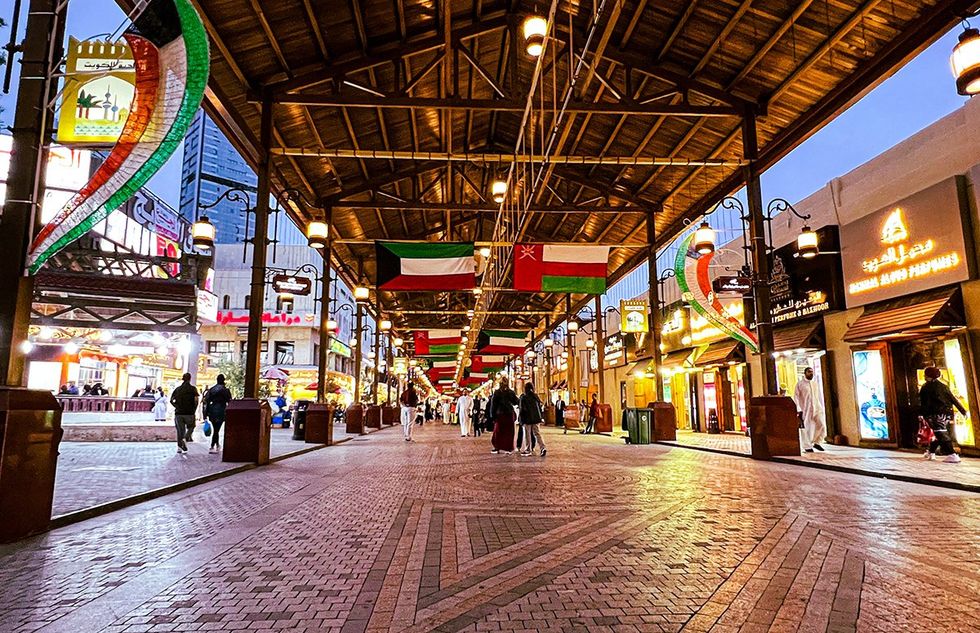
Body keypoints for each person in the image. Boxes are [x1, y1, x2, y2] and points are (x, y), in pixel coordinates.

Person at [919, 366, 966, 463]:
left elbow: (924, 403)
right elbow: (953, 399)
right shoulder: (943, 386)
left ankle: (952, 454)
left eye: (925, 374)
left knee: (941, 433)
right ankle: (931, 452)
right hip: (947, 414)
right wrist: (963, 411)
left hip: (934, 414)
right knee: (939, 433)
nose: (924, 376)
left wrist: (922, 414)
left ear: (928, 376)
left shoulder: (925, 387)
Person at [793, 367, 827, 453]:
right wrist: (798, 409)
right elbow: (796, 397)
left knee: (821, 425)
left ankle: (817, 442)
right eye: (809, 372)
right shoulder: (800, 384)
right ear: (805, 373)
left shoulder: (814, 384)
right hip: (805, 409)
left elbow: (818, 396)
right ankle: (807, 446)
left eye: (812, 372)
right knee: (807, 428)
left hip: (817, 408)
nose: (811, 373)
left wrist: (821, 406)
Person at [202, 374, 232, 454]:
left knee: (216, 429)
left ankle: (216, 445)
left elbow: (207, 402)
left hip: (212, 410)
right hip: (221, 410)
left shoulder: (211, 390)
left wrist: (205, 414)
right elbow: (229, 401)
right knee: (216, 430)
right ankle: (213, 446)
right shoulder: (225, 390)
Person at [169, 373, 199, 454]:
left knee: (180, 430)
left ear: (183, 379)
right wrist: (194, 410)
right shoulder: (193, 389)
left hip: (179, 413)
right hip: (189, 413)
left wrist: (176, 406)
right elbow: (196, 401)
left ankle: (179, 447)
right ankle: (185, 438)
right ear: (190, 379)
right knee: (192, 426)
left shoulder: (178, 389)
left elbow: (171, 400)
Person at [490, 377, 519, 454]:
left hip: (500, 414)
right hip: (509, 413)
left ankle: (498, 447)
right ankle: (508, 448)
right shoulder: (510, 392)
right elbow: (516, 401)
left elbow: (493, 405)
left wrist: (492, 415)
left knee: (498, 431)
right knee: (509, 432)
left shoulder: (497, 392)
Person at [519, 382, 547, 457]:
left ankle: (528, 449)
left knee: (527, 434)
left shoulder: (523, 397)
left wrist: (521, 419)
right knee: (537, 433)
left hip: (527, 418)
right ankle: (543, 447)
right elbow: (539, 407)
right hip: (536, 418)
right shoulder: (535, 396)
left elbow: (522, 409)